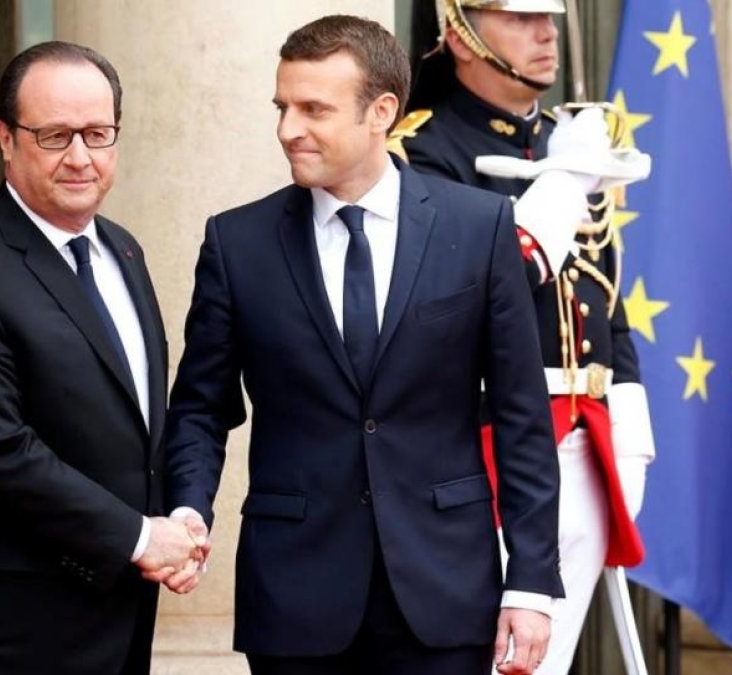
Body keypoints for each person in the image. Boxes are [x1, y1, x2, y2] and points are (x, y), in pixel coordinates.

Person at [163, 14, 563, 675]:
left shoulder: (479, 225)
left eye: (313, 108)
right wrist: (186, 507)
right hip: (294, 595)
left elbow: (523, 417)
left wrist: (530, 582)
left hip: (446, 592)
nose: (288, 128)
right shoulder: (237, 244)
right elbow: (201, 407)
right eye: (283, 107)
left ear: (381, 112)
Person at [0, 41, 204, 675]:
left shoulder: (123, 250)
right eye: (55, 136)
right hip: (2, 636)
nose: (81, 157)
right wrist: (142, 538)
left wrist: (182, 516)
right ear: (6, 139)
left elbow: (137, 420)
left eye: (98, 132)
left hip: (113, 622)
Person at [393, 2, 657, 672]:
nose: (547, 32)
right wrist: (569, 178)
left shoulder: (564, 140)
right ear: (460, 32)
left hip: (589, 441)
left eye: (550, 15)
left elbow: (603, 289)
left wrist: (630, 433)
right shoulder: (424, 152)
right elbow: (501, 275)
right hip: (485, 448)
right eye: (520, 18)